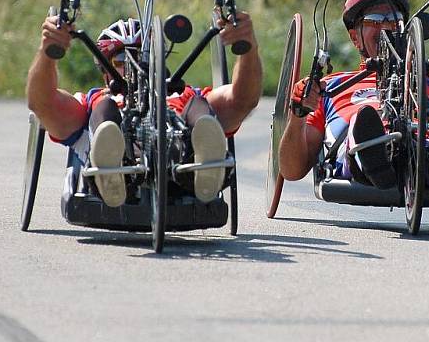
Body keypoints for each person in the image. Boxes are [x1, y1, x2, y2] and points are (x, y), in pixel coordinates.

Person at [27, 11, 262, 207]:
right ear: (105, 68)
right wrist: (48, 52)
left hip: (182, 175)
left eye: (142, 56)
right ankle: (110, 169)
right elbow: (42, 103)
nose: (134, 65)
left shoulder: (186, 96)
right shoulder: (94, 102)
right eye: (121, 59)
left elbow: (242, 100)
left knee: (199, 104)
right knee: (105, 107)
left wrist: (248, 45)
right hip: (121, 183)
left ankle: (206, 165)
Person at [278, 0, 429, 191]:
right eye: (374, 19)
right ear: (355, 38)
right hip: (358, 149)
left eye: (393, 19)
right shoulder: (329, 87)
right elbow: (292, 171)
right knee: (362, 123)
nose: (385, 28)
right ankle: (374, 156)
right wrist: (298, 114)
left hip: (426, 148)